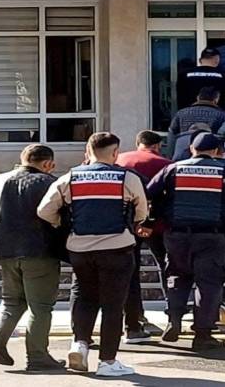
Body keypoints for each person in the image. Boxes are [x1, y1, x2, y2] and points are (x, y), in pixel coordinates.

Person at [37, 133, 150, 378]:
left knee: (84, 296)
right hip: (118, 248)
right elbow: (142, 211)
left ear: (88, 152)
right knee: (113, 304)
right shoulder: (127, 178)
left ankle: (80, 345)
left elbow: (44, 210)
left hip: (80, 249)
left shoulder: (70, 177)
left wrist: (62, 224)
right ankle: (108, 362)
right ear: (115, 153)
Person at [145, 133, 225, 351]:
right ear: (216, 151)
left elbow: (149, 193)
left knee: (177, 277)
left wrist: (154, 219)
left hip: (177, 235)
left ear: (191, 149)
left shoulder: (173, 169)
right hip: (212, 235)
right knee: (209, 284)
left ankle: (174, 320)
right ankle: (203, 334)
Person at [0, 145, 64, 372]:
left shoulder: (0, 181)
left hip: (7, 248)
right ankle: (38, 356)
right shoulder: (50, 182)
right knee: (41, 306)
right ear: (48, 164)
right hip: (39, 250)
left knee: (12, 300)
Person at [115, 131, 174, 344]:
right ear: (157, 146)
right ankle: (173, 310)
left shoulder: (120, 160)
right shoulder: (167, 164)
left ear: (138, 143)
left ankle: (134, 315)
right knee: (167, 266)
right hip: (158, 225)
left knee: (130, 271)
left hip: (126, 224)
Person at [167, 87, 225, 157]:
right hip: (209, 154)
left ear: (198, 98)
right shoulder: (221, 115)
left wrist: (170, 155)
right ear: (216, 100)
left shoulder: (181, 113)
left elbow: (171, 134)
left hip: (182, 152)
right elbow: (223, 133)